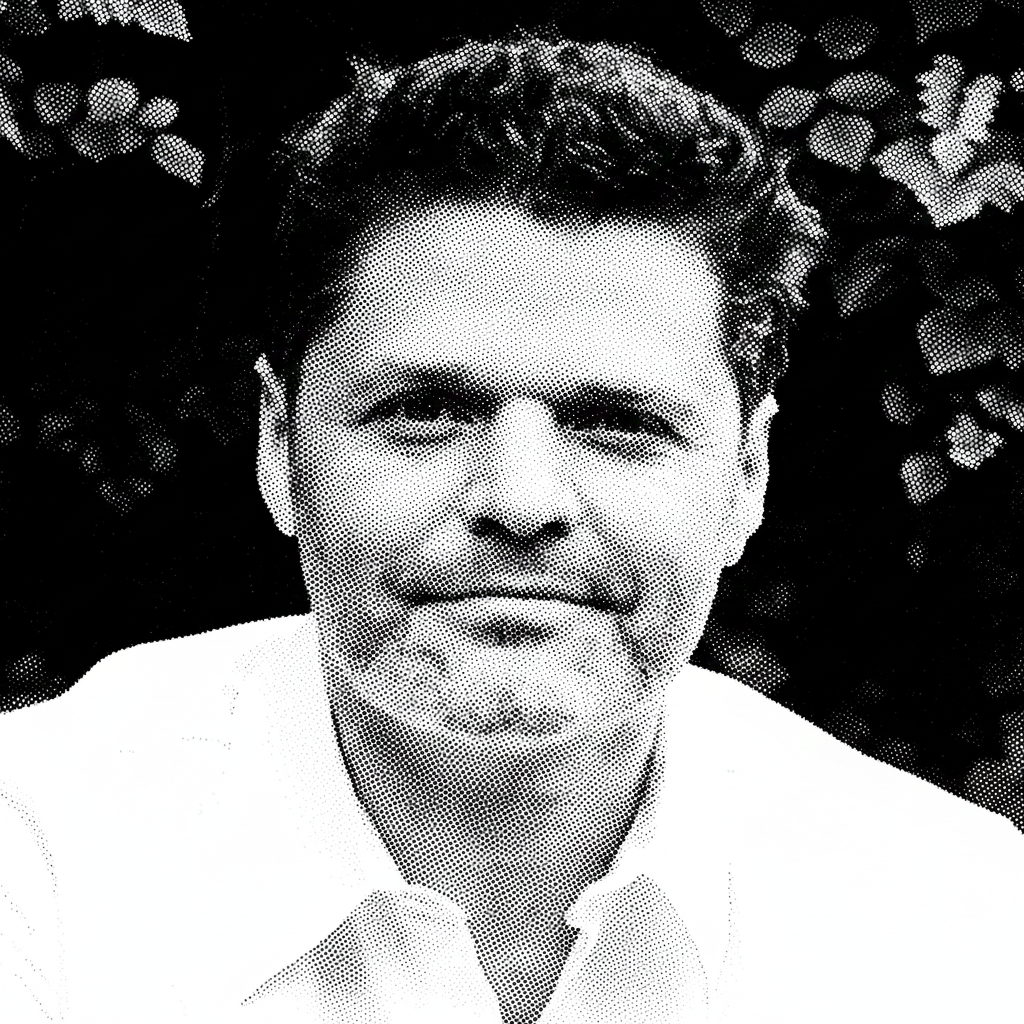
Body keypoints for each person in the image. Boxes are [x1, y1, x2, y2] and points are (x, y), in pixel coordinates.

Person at [1, 32, 1021, 1024]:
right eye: (424, 410)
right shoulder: (36, 861)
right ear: (279, 446)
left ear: (746, 474)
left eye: (620, 421)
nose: (521, 498)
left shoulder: (952, 928)